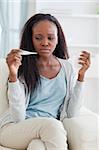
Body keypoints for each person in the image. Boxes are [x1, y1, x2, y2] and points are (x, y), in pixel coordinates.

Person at [0, 13, 90, 150]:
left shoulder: (67, 68)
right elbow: (17, 116)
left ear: (58, 39)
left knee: (37, 147)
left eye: (50, 38)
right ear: (31, 39)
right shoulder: (23, 66)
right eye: (38, 38)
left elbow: (72, 113)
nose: (45, 43)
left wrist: (81, 77)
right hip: (15, 129)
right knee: (52, 125)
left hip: (46, 132)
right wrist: (13, 75)